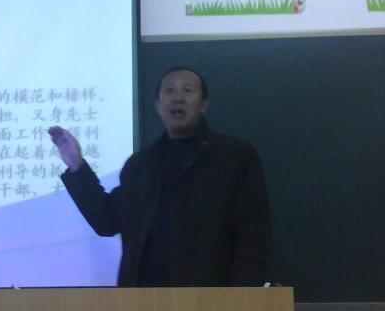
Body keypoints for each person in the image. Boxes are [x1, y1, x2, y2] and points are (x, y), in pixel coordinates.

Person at [48, 67, 270, 287]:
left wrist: (244, 295)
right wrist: (77, 165)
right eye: (169, 91)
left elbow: (253, 235)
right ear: (158, 105)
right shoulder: (140, 165)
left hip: (211, 297)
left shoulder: (234, 156)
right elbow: (107, 220)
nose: (178, 98)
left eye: (187, 90)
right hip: (144, 299)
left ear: (203, 104)